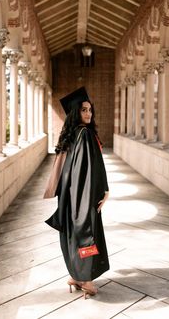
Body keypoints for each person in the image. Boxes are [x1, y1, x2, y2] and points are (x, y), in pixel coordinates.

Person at [44, 87, 109, 299]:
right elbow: (92, 169)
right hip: (83, 195)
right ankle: (86, 280)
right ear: (75, 112)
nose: (88, 114)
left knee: (73, 234)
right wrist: (103, 190)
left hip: (69, 196)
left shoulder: (70, 135)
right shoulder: (86, 134)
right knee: (86, 234)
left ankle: (75, 275)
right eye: (84, 110)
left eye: (90, 110)